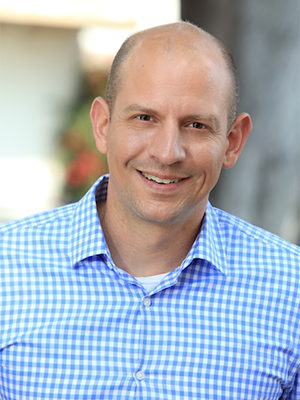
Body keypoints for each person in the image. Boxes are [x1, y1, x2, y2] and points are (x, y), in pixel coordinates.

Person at [1, 22, 300, 400]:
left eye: (196, 125)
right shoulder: (6, 269)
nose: (167, 152)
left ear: (232, 141)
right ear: (103, 125)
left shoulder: (292, 291)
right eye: (145, 118)